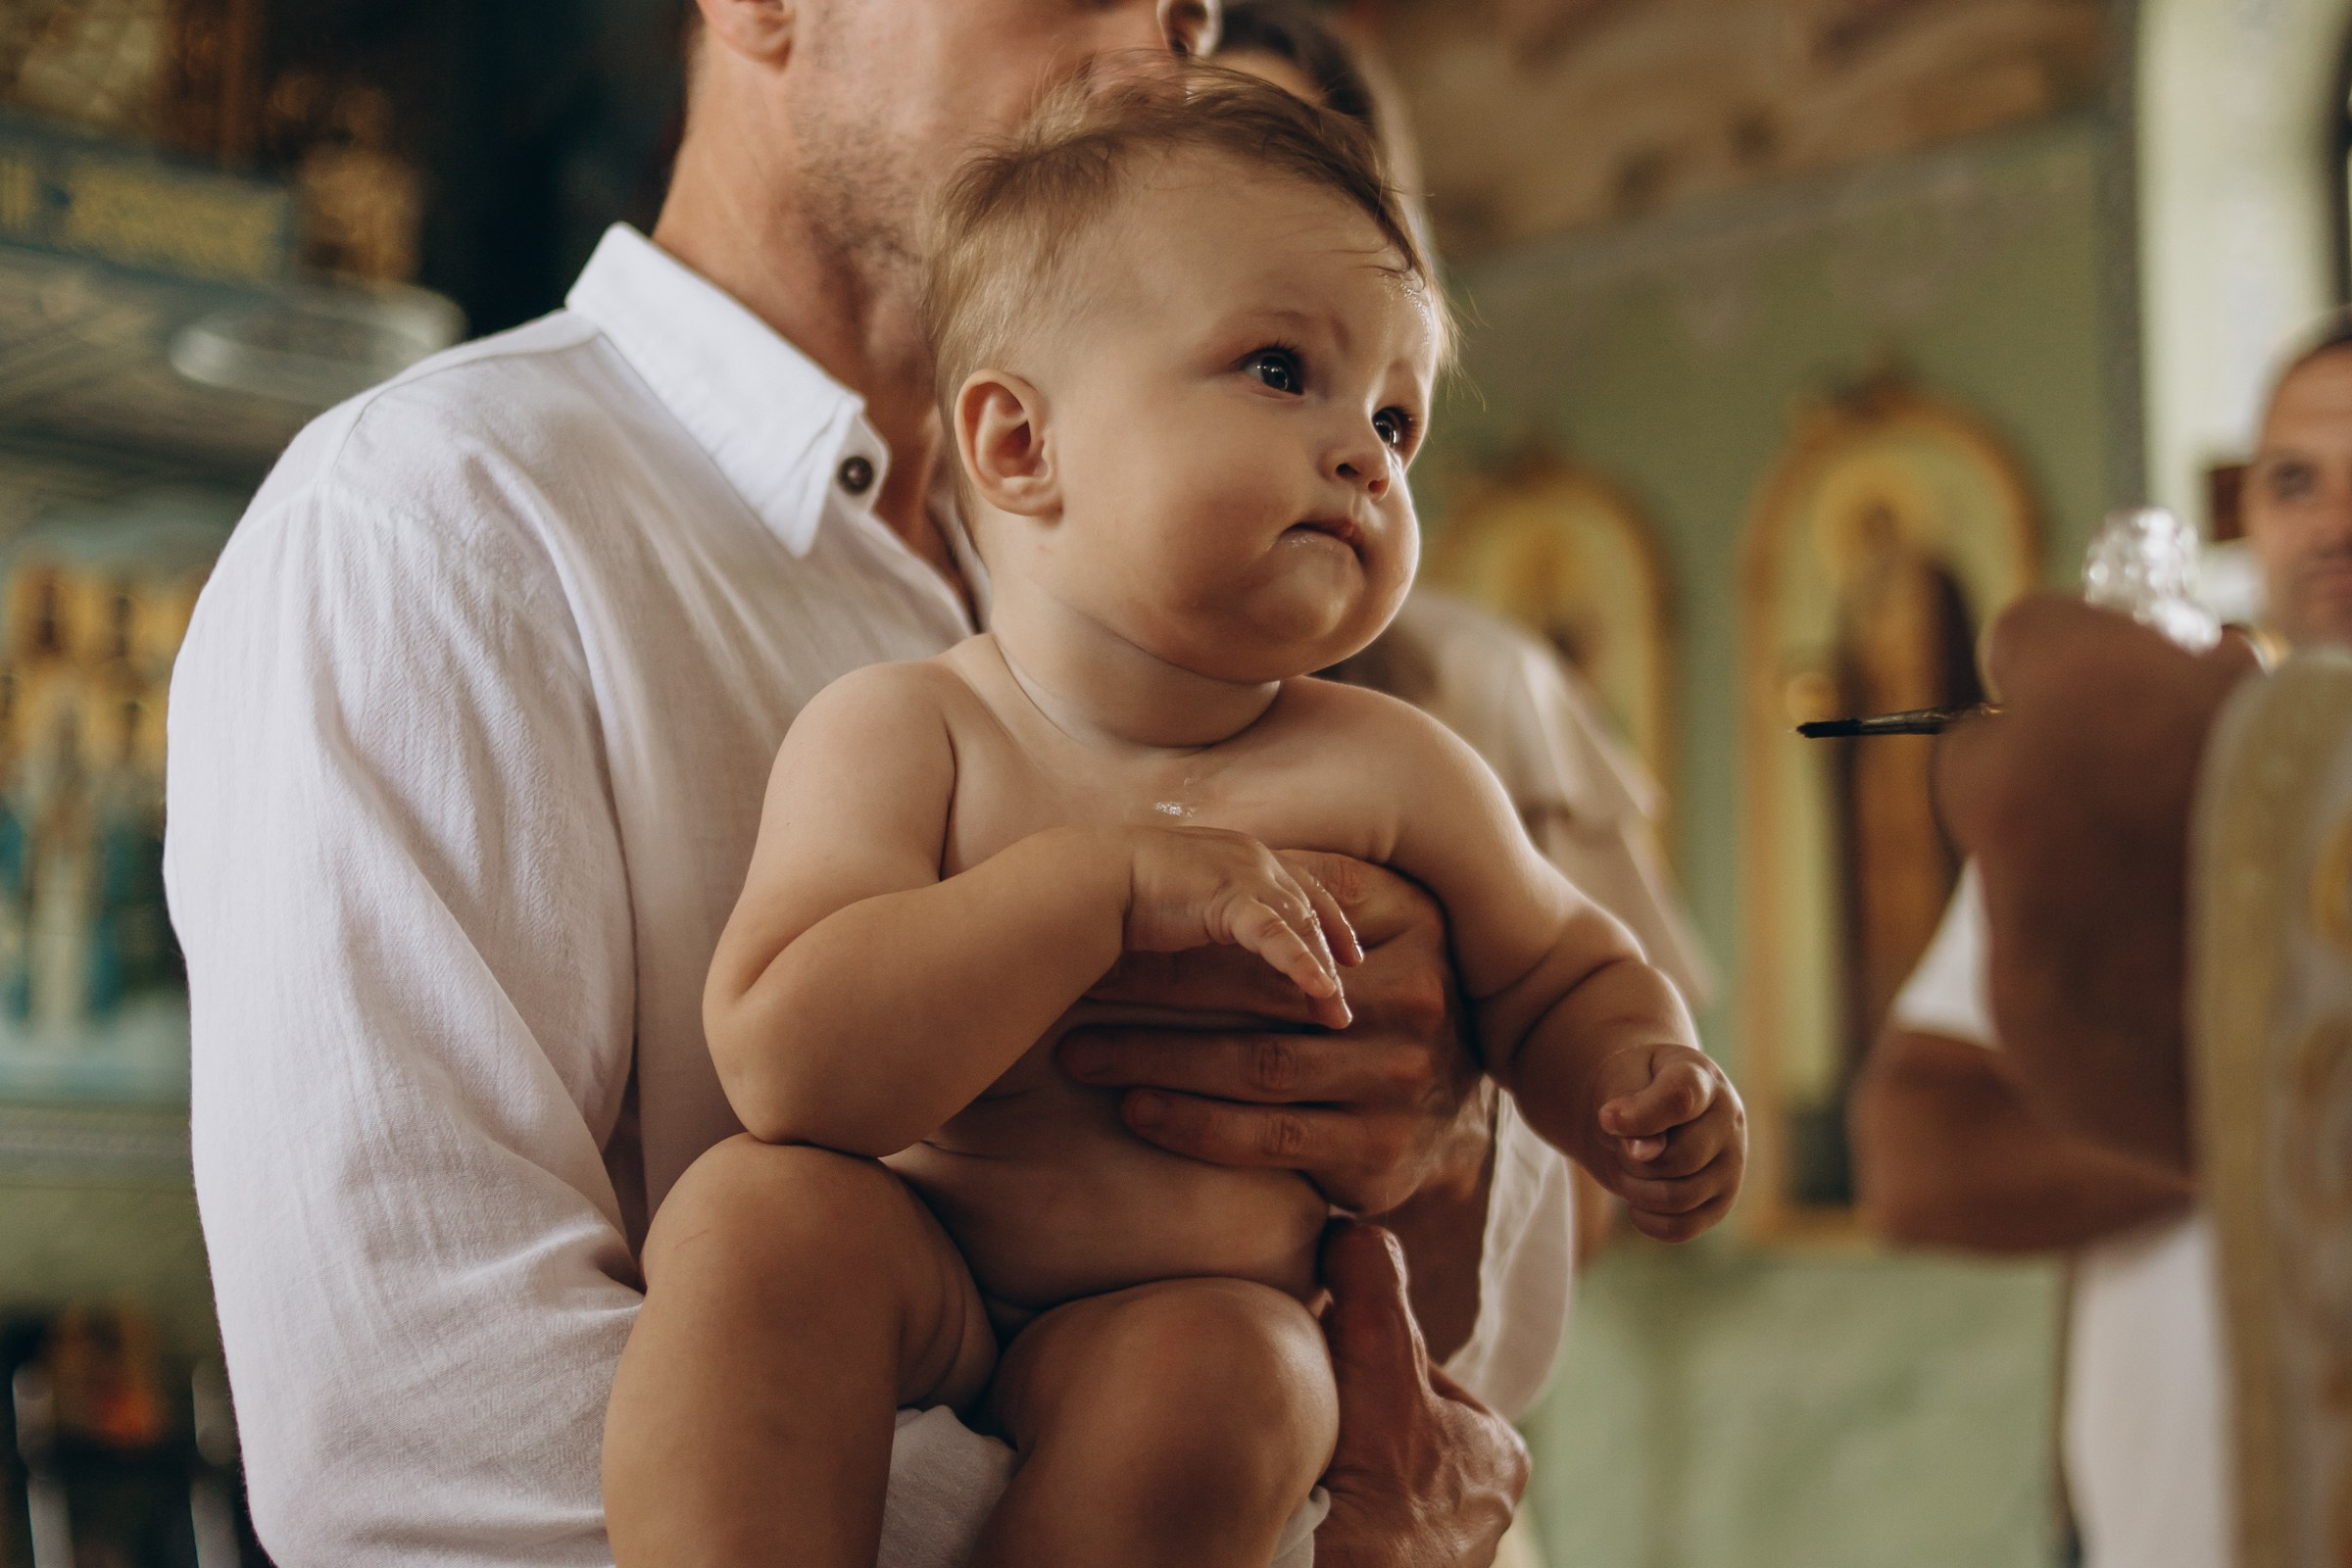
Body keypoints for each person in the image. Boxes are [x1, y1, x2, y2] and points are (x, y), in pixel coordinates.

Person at [161, 4, 1583, 1564]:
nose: (1157, 57)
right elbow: (424, 1448)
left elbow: (1490, 1361)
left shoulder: (1198, 590)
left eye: (1190, 10)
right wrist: (1280, 1532)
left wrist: (1441, 1119)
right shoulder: (430, 525)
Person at [603, 74, 1744, 1567]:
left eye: (1396, 417)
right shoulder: (907, 732)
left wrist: (1637, 1075)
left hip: (1186, 1310)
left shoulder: (1397, 770)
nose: (1367, 452)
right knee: (754, 1217)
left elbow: (1563, 968)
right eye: (1281, 369)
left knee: (1251, 1377)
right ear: (1020, 444)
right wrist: (1105, 891)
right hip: (924, 1272)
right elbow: (790, 1068)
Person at [1848, 322, 2352, 1567]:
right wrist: (2262, 1121)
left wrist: (2187, 1097)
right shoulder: (2161, 792)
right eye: (2294, 481)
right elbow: (1918, 1157)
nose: (2334, 525)